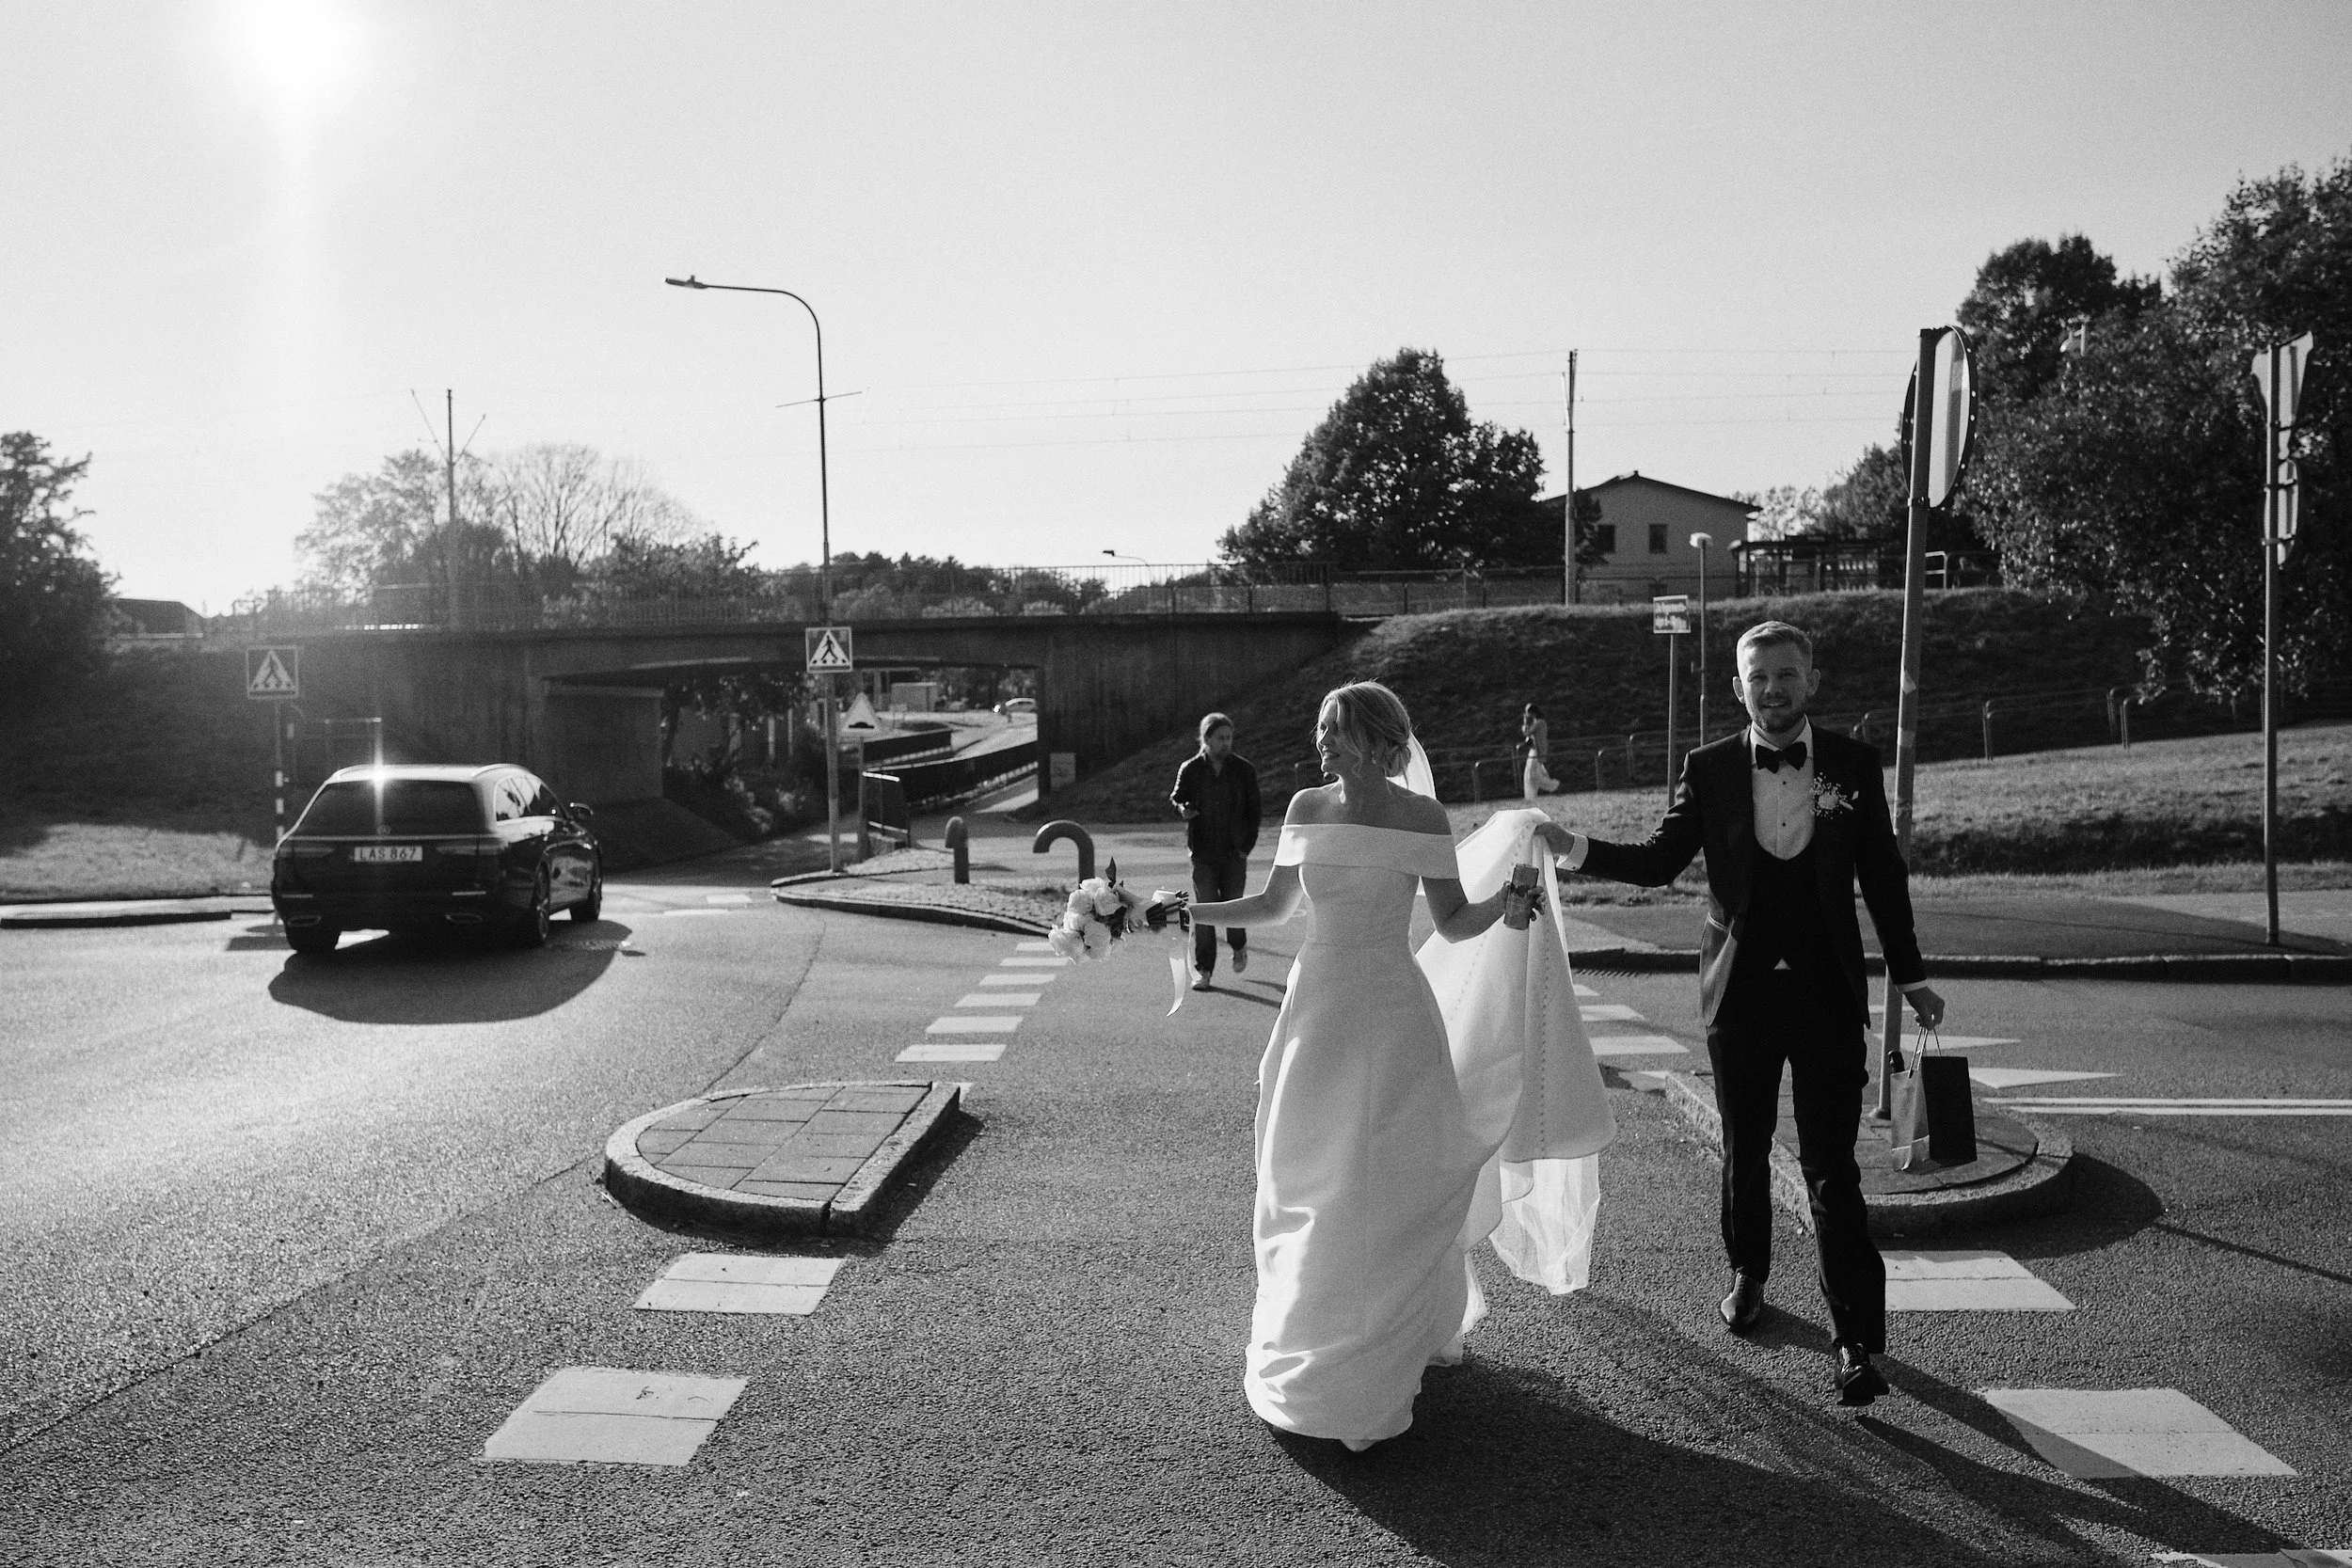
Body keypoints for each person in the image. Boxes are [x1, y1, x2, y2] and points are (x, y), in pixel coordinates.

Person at [1184, 681, 1613, 1450]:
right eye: (1319, 727)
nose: (1322, 740)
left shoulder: (1422, 818)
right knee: (1305, 1173)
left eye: (1337, 728)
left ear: (1382, 741)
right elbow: (1276, 905)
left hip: (1393, 1010)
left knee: (1385, 1177)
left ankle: (1379, 1353)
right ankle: (1307, 1338)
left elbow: (1452, 921)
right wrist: (1191, 913)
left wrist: (1511, 910)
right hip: (1317, 1008)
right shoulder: (1305, 810)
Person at [1549, 621, 1946, 1407]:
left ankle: (1856, 1341)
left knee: (1833, 1168)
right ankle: (1749, 1271)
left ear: (1813, 680)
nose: (1773, 689)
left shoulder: (1855, 767)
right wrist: (1574, 845)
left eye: (1787, 674)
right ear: (1738, 687)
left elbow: (1884, 880)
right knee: (1745, 1145)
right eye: (1758, 676)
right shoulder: (1711, 768)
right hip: (1741, 993)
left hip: (1829, 994)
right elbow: (1661, 861)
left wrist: (1911, 975)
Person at [1168, 713, 1261, 990]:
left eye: (1229, 737)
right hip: (1203, 853)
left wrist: (1246, 848)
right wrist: (1183, 808)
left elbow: (1254, 812)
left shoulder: (1244, 770)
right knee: (1206, 911)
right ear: (1206, 739)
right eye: (1220, 738)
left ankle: (1239, 944)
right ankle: (1204, 970)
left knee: (1232, 906)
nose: (1226, 743)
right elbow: (1177, 796)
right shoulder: (1191, 769)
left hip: (1234, 852)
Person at [1520, 703, 1562, 800]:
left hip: (1537, 751)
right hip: (1533, 750)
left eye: (1527, 712)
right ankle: (1530, 796)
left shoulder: (1540, 723)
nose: (1526, 714)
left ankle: (1555, 786)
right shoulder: (1536, 722)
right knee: (1530, 774)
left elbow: (1527, 732)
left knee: (1533, 775)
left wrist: (1525, 722)